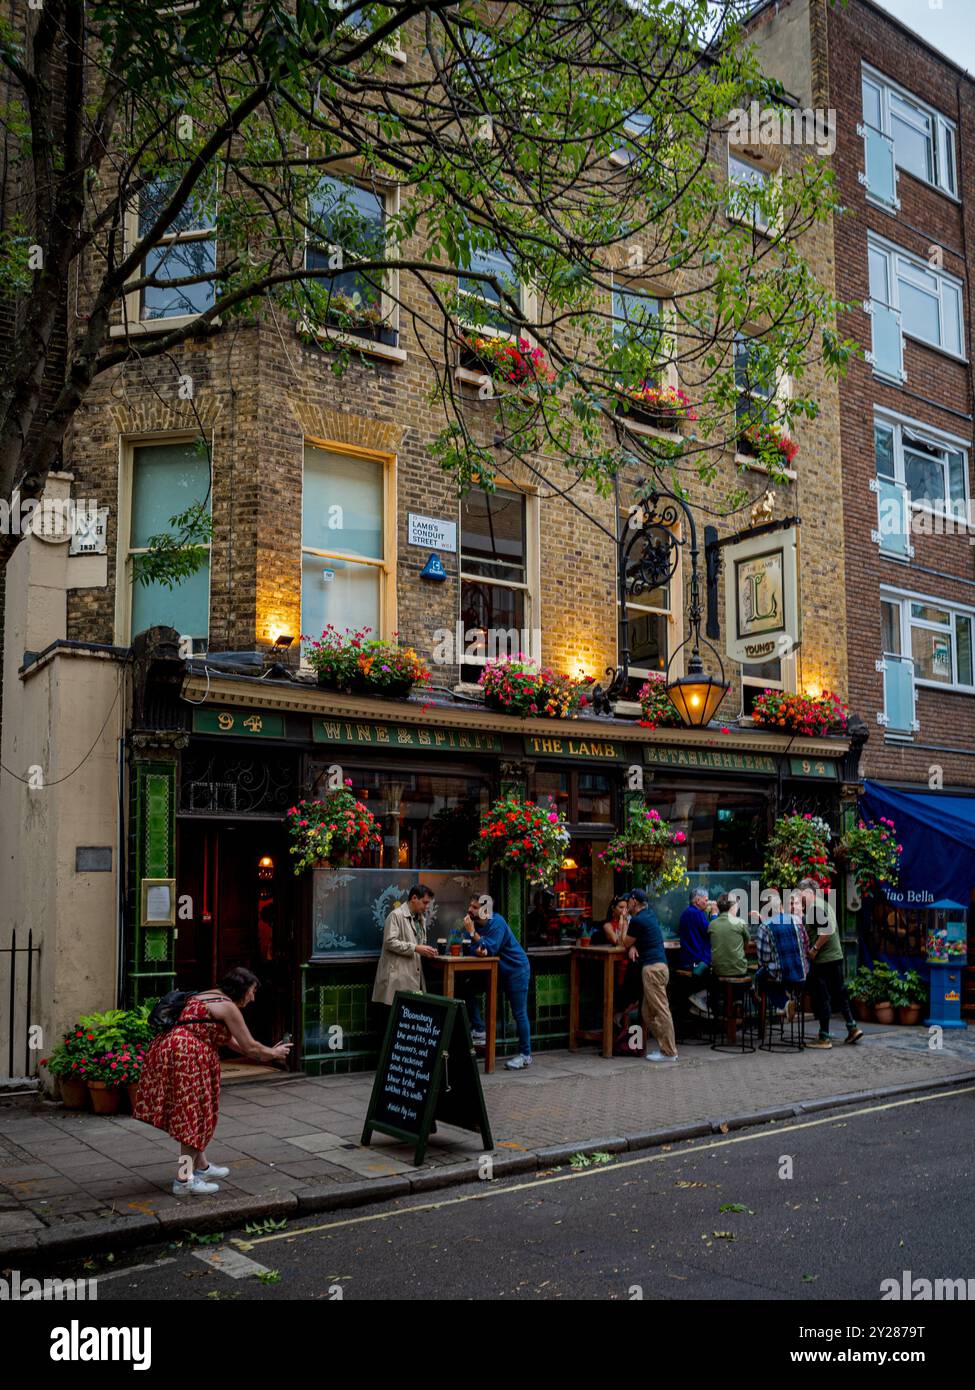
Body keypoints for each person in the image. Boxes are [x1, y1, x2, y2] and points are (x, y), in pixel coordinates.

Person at [134, 966, 291, 1196]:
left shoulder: (207, 995)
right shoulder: (228, 1007)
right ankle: (184, 1180)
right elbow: (249, 1046)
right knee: (192, 1118)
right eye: (252, 991)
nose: (253, 997)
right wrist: (273, 1054)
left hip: (174, 1052)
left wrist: (267, 1051)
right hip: (187, 1058)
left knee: (196, 1114)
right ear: (242, 989)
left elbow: (233, 1043)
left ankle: (202, 1167)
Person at [462, 893, 533, 1070]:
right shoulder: (475, 924)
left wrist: (474, 935)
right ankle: (479, 1029)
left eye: (475, 907)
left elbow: (489, 949)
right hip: (497, 972)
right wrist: (477, 944)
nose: (470, 909)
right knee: (466, 985)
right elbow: (476, 950)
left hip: (516, 970)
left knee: (519, 1013)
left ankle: (525, 1055)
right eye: (470, 906)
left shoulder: (497, 922)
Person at [797, 877, 863, 1048]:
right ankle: (852, 1027)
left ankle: (824, 1037)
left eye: (801, 891)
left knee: (822, 996)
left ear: (809, 891)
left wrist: (814, 949)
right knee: (839, 993)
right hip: (836, 956)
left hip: (824, 958)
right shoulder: (824, 904)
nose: (799, 895)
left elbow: (826, 930)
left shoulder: (815, 907)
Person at [623, 888, 677, 1063]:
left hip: (652, 970)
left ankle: (669, 1052)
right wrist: (634, 946)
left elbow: (624, 942)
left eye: (628, 901)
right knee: (647, 1012)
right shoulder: (650, 915)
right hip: (660, 968)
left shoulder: (637, 920)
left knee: (661, 1010)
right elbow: (636, 940)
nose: (626, 905)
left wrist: (624, 918)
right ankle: (665, 1047)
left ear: (634, 902)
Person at [371, 884, 438, 1008]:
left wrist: (427, 951)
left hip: (413, 975)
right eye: (424, 902)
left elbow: (419, 943)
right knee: (395, 1018)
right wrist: (416, 948)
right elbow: (389, 942)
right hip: (398, 979)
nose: (426, 907)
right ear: (414, 898)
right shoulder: (396, 915)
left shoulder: (421, 918)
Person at [755, 891, 809, 1016]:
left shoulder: (764, 927)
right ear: (780, 906)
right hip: (802, 975)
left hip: (782, 978)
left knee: (760, 975)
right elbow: (806, 944)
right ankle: (788, 1000)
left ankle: (783, 1003)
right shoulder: (796, 920)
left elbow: (763, 960)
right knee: (774, 972)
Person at [708, 893, 751, 980]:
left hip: (717, 971)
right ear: (733, 907)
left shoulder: (712, 924)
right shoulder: (740, 923)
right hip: (738, 970)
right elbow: (746, 946)